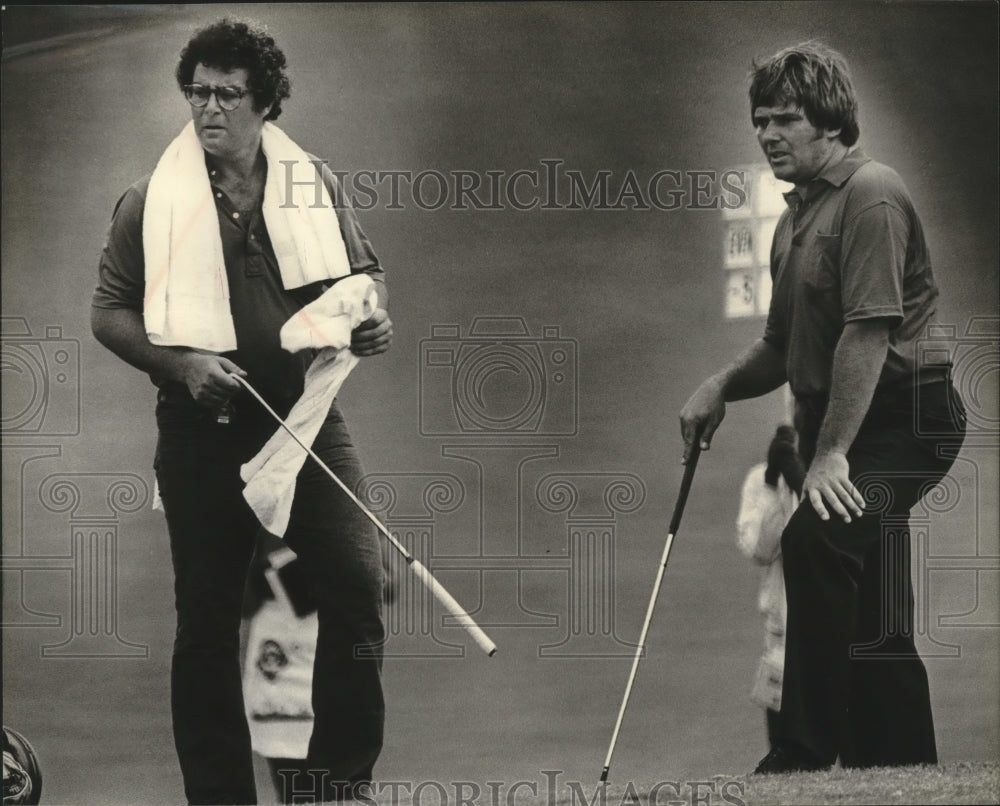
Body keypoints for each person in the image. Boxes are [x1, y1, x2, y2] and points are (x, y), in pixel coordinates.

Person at [91, 18, 392, 804]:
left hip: (307, 422)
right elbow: (109, 312)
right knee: (207, 624)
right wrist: (180, 364)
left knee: (357, 590)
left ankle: (338, 786)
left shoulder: (311, 180)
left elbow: (363, 276)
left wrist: (372, 318)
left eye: (227, 94)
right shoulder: (151, 201)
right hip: (200, 434)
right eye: (198, 93)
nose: (208, 109)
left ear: (266, 103)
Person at [679, 41, 967, 774]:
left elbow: (869, 334)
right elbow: (782, 347)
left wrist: (830, 455)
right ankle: (899, 767)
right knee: (874, 612)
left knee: (816, 540)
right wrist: (718, 387)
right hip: (851, 420)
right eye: (761, 122)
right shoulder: (792, 219)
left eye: (786, 120)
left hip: (908, 419)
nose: (770, 135)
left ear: (831, 121)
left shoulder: (871, 193)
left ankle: (803, 752)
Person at [735, 425, 803, 748]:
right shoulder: (760, 479)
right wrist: (775, 481)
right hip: (781, 638)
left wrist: (802, 480)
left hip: (837, 629)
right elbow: (761, 549)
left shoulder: (840, 469)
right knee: (787, 754)